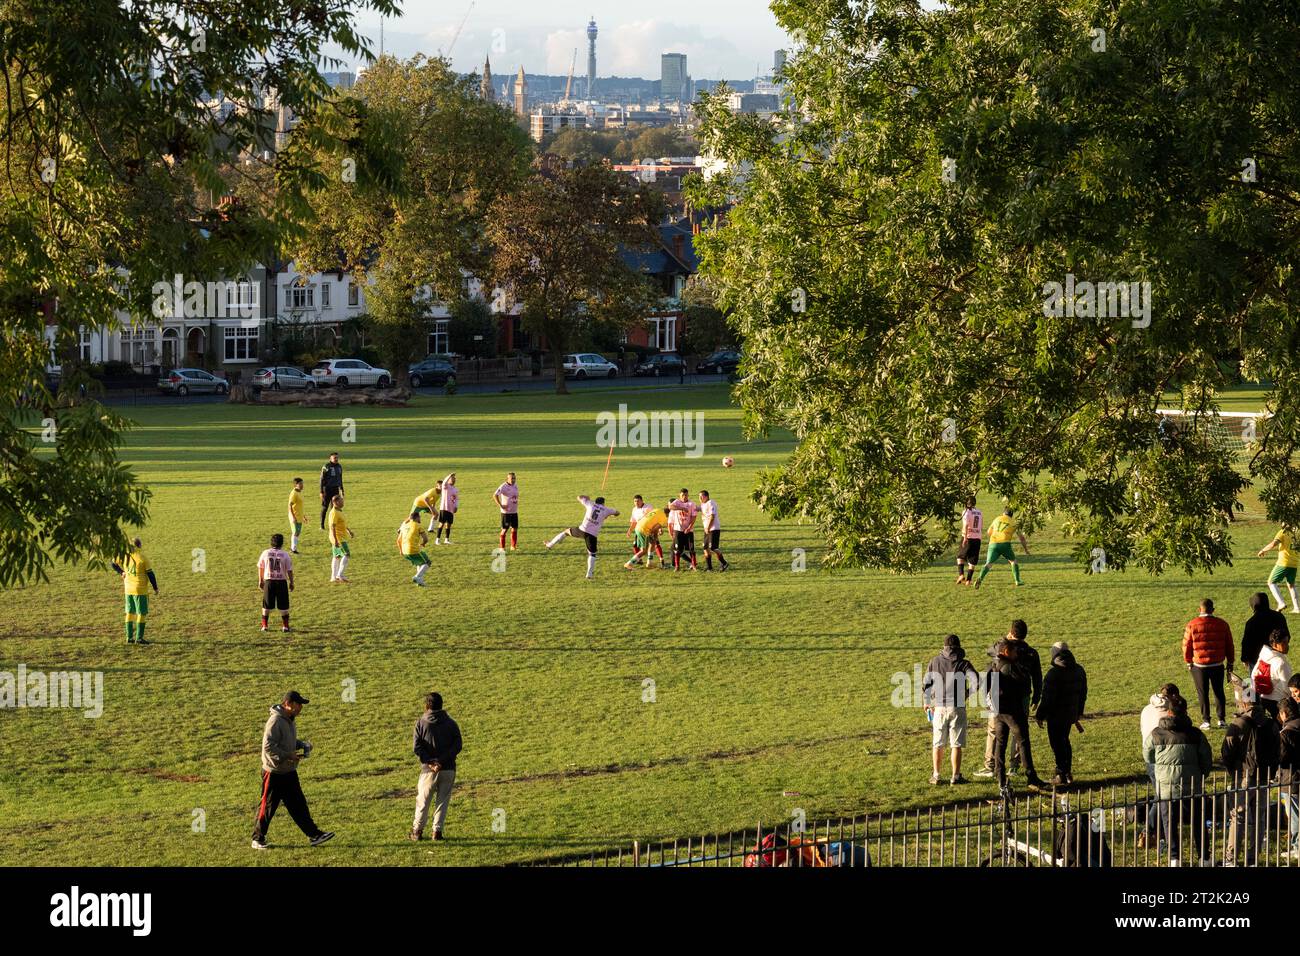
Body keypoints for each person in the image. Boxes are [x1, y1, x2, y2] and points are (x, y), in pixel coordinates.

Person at [251, 690, 334, 849]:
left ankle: (314, 835)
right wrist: (288, 755)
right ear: (288, 704)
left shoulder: (289, 719)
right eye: (298, 704)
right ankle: (257, 839)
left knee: (299, 805)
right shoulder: (275, 720)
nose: (300, 708)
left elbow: (286, 740)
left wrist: (301, 744)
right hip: (273, 773)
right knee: (267, 807)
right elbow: (268, 747)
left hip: (288, 771)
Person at [1143, 692, 1213, 866]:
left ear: (1169, 712)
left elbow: (1148, 756)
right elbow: (1206, 757)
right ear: (1186, 711)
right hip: (1192, 784)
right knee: (1198, 821)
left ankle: (1174, 858)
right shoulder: (1195, 734)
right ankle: (1204, 857)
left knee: (1169, 822)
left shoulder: (1156, 734)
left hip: (1167, 786)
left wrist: (1160, 770)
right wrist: (1202, 774)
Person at [1221, 681, 1281, 866]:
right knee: (1260, 816)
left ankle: (1231, 858)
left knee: (1238, 817)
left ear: (1243, 702)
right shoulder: (1271, 722)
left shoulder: (1239, 723)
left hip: (1244, 776)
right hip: (1265, 775)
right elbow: (1278, 749)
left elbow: (1227, 752)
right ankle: (1253, 857)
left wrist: (1233, 769)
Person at [975, 620, 1042, 779]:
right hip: (1023, 696)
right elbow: (1037, 677)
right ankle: (1014, 765)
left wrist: (1004, 639)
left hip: (1001, 697)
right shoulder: (1031, 653)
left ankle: (991, 765)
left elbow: (989, 651)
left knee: (994, 731)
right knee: (1019, 732)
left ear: (1011, 632)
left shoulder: (1002, 648)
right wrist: (1036, 696)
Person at [987, 639, 1047, 790]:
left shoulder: (994, 665)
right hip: (1013, 712)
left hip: (999, 712)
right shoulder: (1009, 667)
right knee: (1023, 742)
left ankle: (1000, 778)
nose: (1016, 654)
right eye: (1014, 651)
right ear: (1006, 651)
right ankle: (1031, 777)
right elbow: (1024, 685)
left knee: (1000, 745)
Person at [922, 634, 978, 785]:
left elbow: (926, 683)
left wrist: (927, 701)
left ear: (944, 646)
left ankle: (936, 775)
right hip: (957, 707)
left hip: (939, 707)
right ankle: (955, 776)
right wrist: (967, 694)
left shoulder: (934, 661)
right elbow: (976, 680)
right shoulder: (964, 663)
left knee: (938, 743)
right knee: (956, 744)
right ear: (959, 647)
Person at [410, 692, 463, 842]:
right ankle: (437, 833)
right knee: (442, 801)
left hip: (428, 771)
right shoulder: (451, 723)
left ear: (427, 706)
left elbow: (417, 747)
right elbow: (457, 745)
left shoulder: (421, 723)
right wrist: (442, 761)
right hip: (448, 769)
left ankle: (417, 831)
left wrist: (431, 762)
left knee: (423, 802)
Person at [1035, 641, 1087, 787]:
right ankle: (1067, 772)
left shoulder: (1053, 673)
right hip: (1070, 714)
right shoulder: (1079, 670)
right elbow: (1083, 694)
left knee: (1057, 743)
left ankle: (1060, 774)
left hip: (1055, 715)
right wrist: (1077, 713)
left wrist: (1039, 715)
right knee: (1065, 741)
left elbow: (1047, 698)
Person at [1138, 683, 1180, 849]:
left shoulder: (1147, 709)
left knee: (1160, 795)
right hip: (1163, 757)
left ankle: (1153, 831)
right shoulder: (1169, 712)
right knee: (1162, 797)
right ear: (1173, 696)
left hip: (1149, 755)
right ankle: (1150, 832)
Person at [1182, 597, 1234, 729]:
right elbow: (1229, 645)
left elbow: (1186, 645)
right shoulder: (1222, 624)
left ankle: (1206, 720)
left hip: (1199, 666)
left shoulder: (1192, 624)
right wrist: (1230, 662)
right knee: (1219, 692)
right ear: (1213, 610)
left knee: (1202, 693)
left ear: (1200, 609)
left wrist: (1188, 661)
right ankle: (1221, 719)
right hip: (1217, 664)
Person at [545, 494, 621, 579]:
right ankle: (589, 574)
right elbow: (617, 513)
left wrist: (587, 496)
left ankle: (550, 544)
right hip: (592, 535)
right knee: (592, 554)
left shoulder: (590, 504)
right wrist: (609, 515)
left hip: (582, 530)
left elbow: (578, 497)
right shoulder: (606, 509)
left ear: (595, 501)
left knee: (566, 532)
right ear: (603, 503)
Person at [111, 537, 159, 646]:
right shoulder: (142, 558)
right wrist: (155, 587)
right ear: (139, 545)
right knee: (141, 613)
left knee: (130, 612)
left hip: (128, 589)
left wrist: (121, 572)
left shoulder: (124, 556)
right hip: (140, 590)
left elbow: (113, 563)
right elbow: (150, 574)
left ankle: (129, 638)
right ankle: (139, 638)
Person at [975, 507, 1029, 588]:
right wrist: (1026, 549)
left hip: (993, 543)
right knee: (1013, 561)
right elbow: (1021, 538)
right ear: (1011, 515)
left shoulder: (997, 518)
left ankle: (980, 578)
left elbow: (989, 532)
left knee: (989, 563)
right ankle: (1017, 581)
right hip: (1005, 543)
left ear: (1004, 513)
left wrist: (995, 537)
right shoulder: (1014, 522)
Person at [1276, 698, 1300, 860]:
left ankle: (1297, 846)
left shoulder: (1285, 733)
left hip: (1291, 779)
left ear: (1283, 713)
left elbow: (1282, 759)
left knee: (1294, 815)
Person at [1242, 591, 1289, 673]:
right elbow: (1287, 636)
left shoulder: (1251, 622)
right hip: (1277, 657)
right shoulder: (1279, 617)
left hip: (1257, 661)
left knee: (1258, 683)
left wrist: (1244, 658)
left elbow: (1246, 642)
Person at [1252, 628, 1293, 719]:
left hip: (1263, 699)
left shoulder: (1263, 656)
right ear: (1275, 644)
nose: (1287, 646)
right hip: (1280, 702)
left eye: (1287, 642)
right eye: (1284, 643)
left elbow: (1253, 675)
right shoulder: (1281, 662)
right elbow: (1288, 687)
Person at [257, 533, 294, 632]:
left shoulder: (265, 553)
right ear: (281, 543)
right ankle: (285, 626)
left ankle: (264, 626)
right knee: (283, 605)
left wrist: (260, 580)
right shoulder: (285, 554)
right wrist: (291, 582)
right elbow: (289, 570)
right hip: (281, 582)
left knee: (266, 605)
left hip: (269, 581)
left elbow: (260, 566)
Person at [1258, 526, 1300, 613]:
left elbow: (1274, 543)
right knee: (1291, 585)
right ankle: (1297, 608)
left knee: (1271, 582)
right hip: (1294, 563)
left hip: (1283, 563)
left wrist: (1263, 550)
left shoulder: (1283, 532)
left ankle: (1281, 603)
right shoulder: (1298, 532)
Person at [626, 505, 670, 570]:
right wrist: (654, 535)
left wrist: (654, 537)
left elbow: (652, 521)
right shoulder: (664, 518)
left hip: (639, 526)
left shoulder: (657, 509)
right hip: (643, 530)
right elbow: (655, 528)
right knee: (644, 550)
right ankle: (629, 564)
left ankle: (649, 563)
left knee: (652, 543)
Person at [396, 512, 432, 587]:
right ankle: (417, 577)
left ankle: (420, 581)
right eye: (419, 517)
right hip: (412, 549)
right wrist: (423, 543)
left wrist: (401, 551)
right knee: (427, 562)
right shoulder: (418, 526)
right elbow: (425, 539)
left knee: (420, 563)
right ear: (416, 518)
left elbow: (398, 540)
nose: (420, 519)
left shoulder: (404, 526)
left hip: (404, 550)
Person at [668, 488, 700, 571]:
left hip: (689, 530)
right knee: (677, 549)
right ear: (679, 495)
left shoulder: (691, 504)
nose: (684, 497)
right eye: (682, 495)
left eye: (686, 495)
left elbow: (694, 516)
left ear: (688, 495)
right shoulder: (677, 502)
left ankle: (694, 565)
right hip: (678, 530)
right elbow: (670, 506)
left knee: (691, 549)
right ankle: (677, 566)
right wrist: (681, 508)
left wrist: (689, 527)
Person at [698, 490, 729, 571]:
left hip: (713, 529)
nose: (700, 498)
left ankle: (724, 563)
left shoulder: (711, 503)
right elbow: (697, 508)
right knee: (705, 548)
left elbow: (712, 516)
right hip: (707, 530)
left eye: (701, 496)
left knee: (713, 548)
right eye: (699, 497)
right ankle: (709, 567)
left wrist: (708, 527)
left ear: (706, 496)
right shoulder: (703, 504)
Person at [326, 494, 354, 583]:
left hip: (339, 537)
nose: (343, 502)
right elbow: (332, 527)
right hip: (339, 538)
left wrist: (349, 531)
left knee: (337, 556)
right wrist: (336, 539)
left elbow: (342, 523)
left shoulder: (339, 511)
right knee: (347, 554)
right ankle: (340, 575)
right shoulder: (334, 513)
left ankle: (333, 577)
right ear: (336, 502)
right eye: (341, 500)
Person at [956, 496, 983, 586]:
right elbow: (981, 525)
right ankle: (968, 580)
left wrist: (965, 537)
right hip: (977, 538)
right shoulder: (979, 512)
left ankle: (961, 575)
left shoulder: (966, 512)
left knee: (960, 557)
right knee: (972, 560)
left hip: (968, 537)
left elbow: (966, 525)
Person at [494, 472, 520, 551]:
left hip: (514, 511)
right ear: (507, 479)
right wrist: (500, 505)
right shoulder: (503, 486)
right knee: (504, 530)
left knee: (514, 529)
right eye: (511, 478)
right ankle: (502, 548)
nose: (513, 480)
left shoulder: (515, 486)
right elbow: (495, 495)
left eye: (514, 478)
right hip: (506, 513)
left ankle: (513, 546)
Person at [319, 452, 344, 530]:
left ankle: (332, 524)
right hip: (327, 489)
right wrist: (321, 491)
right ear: (330, 459)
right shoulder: (326, 466)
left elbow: (340, 478)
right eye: (334, 458)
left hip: (335, 489)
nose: (336, 459)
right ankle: (322, 525)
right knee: (325, 507)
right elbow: (321, 479)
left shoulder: (339, 467)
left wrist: (342, 489)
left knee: (334, 508)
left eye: (337, 457)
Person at [434, 473, 458, 544]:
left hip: (451, 509)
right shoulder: (445, 486)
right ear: (449, 480)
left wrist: (456, 506)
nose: (454, 480)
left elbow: (456, 499)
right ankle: (437, 540)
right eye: (452, 479)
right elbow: (444, 482)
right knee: (441, 523)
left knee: (449, 524)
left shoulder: (455, 489)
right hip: (444, 508)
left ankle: (446, 539)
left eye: (454, 479)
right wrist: (449, 475)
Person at [287, 478, 305, 553]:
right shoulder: (294, 493)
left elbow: (299, 506)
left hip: (299, 516)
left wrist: (303, 516)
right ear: (295, 485)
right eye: (300, 484)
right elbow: (290, 505)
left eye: (302, 483)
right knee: (295, 532)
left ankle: (293, 548)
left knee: (298, 532)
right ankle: (293, 549)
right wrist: (293, 517)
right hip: (294, 516)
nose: (302, 485)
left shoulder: (299, 492)